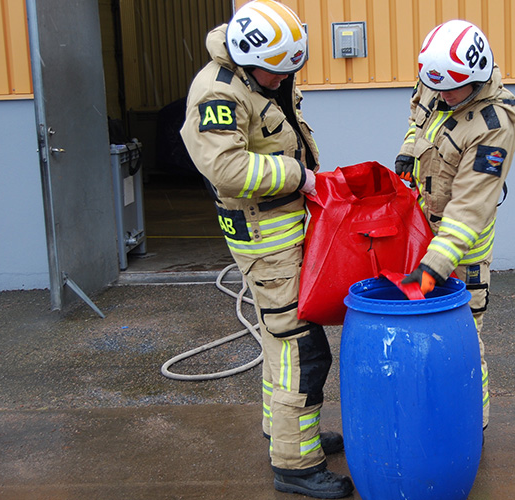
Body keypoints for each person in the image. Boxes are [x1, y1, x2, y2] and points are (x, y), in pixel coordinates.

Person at [180, 1, 353, 498]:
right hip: (265, 235)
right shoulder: (217, 92)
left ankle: (285, 432)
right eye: (272, 74)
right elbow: (229, 169)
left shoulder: (261, 73)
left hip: (282, 225)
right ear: (244, 54)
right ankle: (296, 466)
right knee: (302, 347)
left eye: (287, 73)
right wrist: (303, 177)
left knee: (281, 340)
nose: (280, 82)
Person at [396, 19, 515, 430]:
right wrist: (406, 152)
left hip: (461, 249)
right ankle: (431, 418)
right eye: (436, 88)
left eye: (452, 90)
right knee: (420, 342)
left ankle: (473, 427)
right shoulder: (437, 82)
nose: (443, 96)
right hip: (424, 233)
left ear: (476, 76)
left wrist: (435, 264)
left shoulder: (494, 126)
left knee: (462, 343)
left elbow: (469, 208)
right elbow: (419, 120)